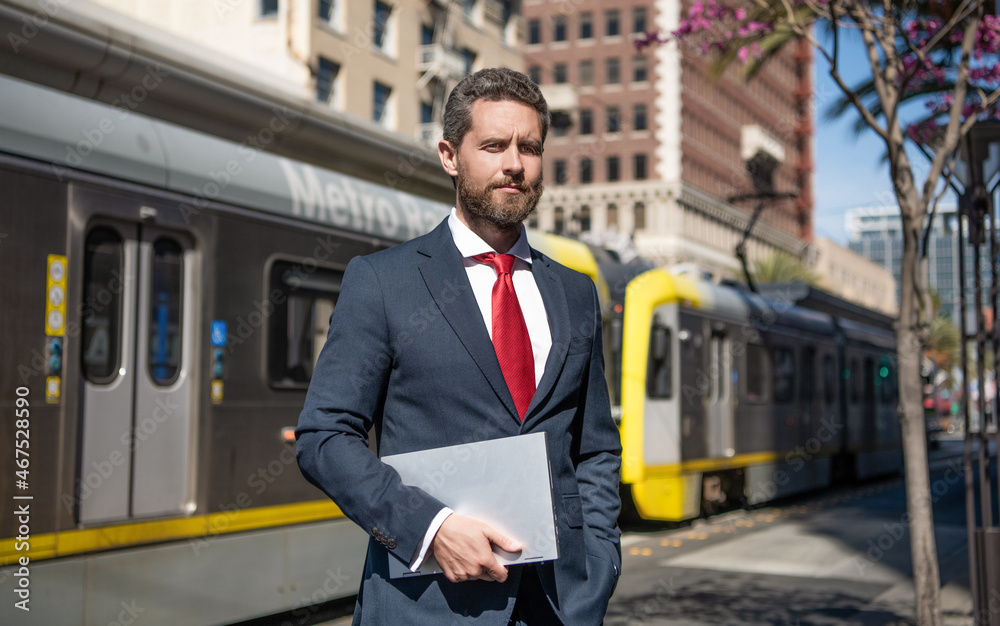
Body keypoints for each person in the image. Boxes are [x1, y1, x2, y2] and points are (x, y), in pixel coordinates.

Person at [296, 67, 621, 625]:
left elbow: (592, 449)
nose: (514, 163)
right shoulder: (384, 281)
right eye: (493, 145)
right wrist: (430, 528)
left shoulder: (575, 292)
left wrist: (600, 562)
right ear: (450, 156)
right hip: (428, 605)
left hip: (560, 605)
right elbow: (323, 437)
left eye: (530, 147)